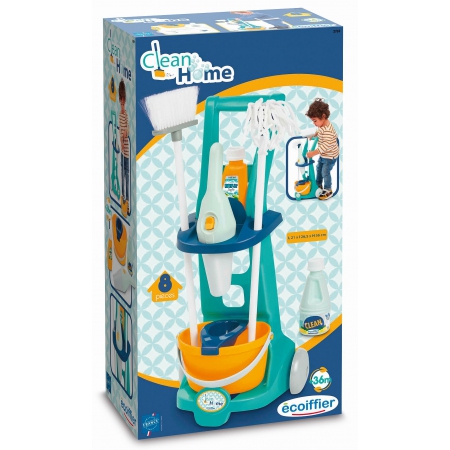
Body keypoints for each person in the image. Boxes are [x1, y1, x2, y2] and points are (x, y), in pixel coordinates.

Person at [305, 99, 339, 200]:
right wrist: (314, 135)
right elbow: (320, 131)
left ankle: (328, 189)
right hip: (324, 155)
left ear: (323, 116)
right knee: (318, 168)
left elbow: (324, 146)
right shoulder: (322, 125)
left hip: (330, 156)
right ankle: (318, 185)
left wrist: (313, 153)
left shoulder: (328, 130)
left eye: (315, 120)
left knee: (325, 172)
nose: (314, 123)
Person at [118, 79, 130, 215]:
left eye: (123, 102)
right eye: (120, 102)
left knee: (126, 173)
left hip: (126, 150)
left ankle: (127, 199)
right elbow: (120, 129)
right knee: (122, 173)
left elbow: (126, 129)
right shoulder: (120, 115)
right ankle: (123, 197)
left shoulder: (126, 115)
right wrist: (120, 140)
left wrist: (123, 137)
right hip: (122, 149)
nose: (122, 104)